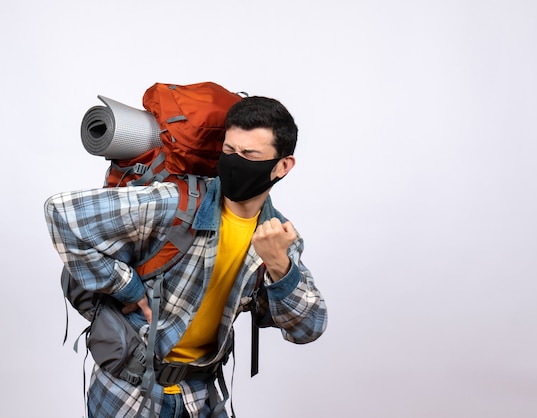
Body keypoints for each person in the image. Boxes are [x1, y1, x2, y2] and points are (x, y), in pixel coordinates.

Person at [44, 96, 328, 418]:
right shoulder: (174, 203)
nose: (235, 162)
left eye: (249, 154)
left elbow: (309, 328)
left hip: (200, 396)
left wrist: (279, 265)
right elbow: (62, 213)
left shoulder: (277, 239)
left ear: (282, 165)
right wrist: (129, 288)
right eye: (229, 151)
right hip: (129, 394)